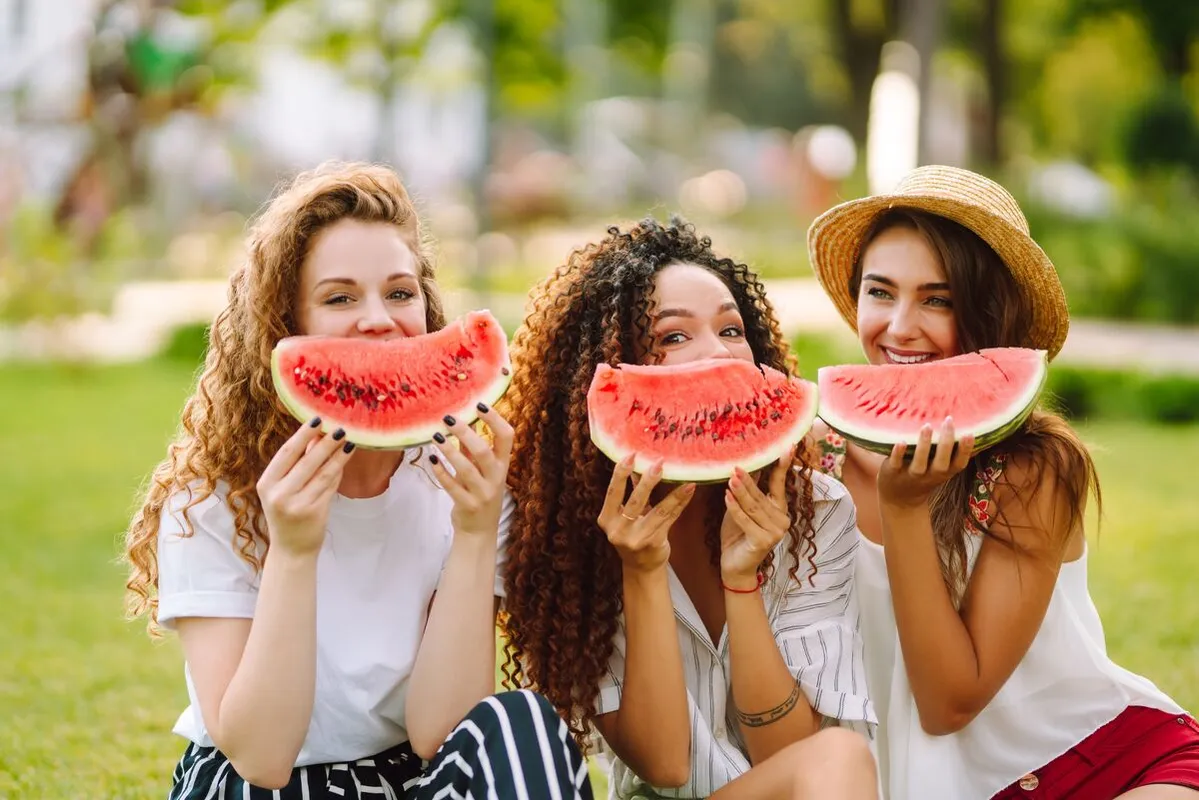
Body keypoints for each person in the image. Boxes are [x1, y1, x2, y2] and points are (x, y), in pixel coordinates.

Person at [123, 162, 595, 800]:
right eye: (340, 297)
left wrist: (476, 533)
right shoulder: (214, 500)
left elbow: (440, 731)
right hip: (254, 783)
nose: (379, 319)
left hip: (408, 777)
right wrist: (293, 549)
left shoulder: (464, 486)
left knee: (525, 724)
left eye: (400, 294)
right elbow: (259, 756)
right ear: (285, 329)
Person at [805, 164, 1199, 799]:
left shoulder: (1031, 469)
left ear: (990, 313)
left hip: (1093, 765)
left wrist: (903, 512)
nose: (900, 326)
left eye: (939, 299)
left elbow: (948, 704)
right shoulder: (812, 455)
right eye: (880, 292)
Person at [495, 217, 880, 800]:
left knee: (838, 754)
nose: (718, 355)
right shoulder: (559, 533)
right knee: (840, 757)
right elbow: (668, 766)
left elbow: (792, 757)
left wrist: (743, 581)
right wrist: (642, 570)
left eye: (732, 330)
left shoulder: (817, 511)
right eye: (674, 337)